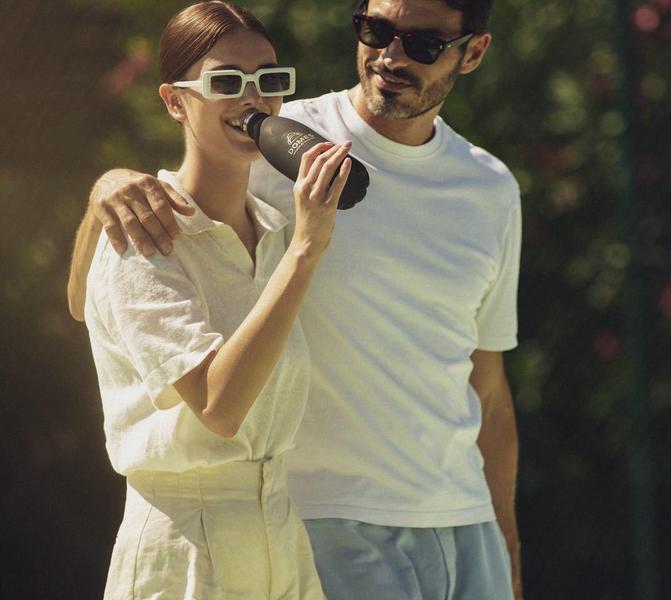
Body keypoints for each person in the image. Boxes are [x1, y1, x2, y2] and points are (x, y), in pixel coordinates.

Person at [69, 0, 523, 598]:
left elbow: (488, 391)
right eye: (376, 29)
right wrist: (105, 190)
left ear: (473, 52)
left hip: (449, 525)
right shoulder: (278, 142)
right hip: (322, 522)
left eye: (423, 43)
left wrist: (507, 545)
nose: (389, 55)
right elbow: (92, 294)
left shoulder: (489, 187)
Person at [79, 2, 352, 598]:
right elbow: (219, 407)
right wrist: (307, 250)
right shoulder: (145, 239)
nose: (253, 98)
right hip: (184, 543)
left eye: (269, 80)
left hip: (280, 527)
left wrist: (297, 242)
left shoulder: (276, 228)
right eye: (226, 82)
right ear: (175, 102)